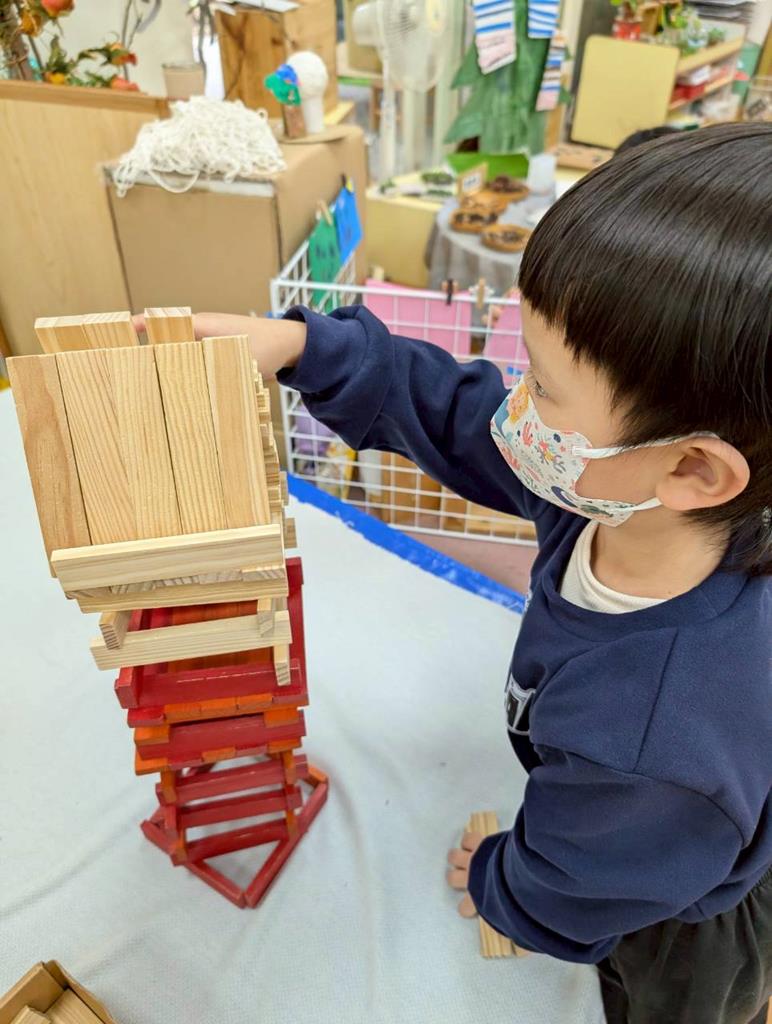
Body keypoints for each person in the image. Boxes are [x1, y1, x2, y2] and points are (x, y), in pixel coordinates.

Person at [135, 122, 771, 1023]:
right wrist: (302, 349)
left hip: (668, 928)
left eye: (542, 387)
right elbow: (460, 417)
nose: (515, 404)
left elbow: (576, 889)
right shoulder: (624, 497)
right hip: (638, 831)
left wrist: (501, 882)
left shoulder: (653, 744)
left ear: (694, 468)